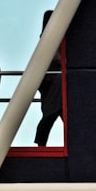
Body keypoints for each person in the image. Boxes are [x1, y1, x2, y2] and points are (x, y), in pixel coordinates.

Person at [34, 10, 63, 147]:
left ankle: (41, 142)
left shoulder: (45, 37)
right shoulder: (50, 37)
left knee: (52, 111)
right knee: (53, 111)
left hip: (48, 80)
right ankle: (41, 142)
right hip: (53, 80)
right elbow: (57, 57)